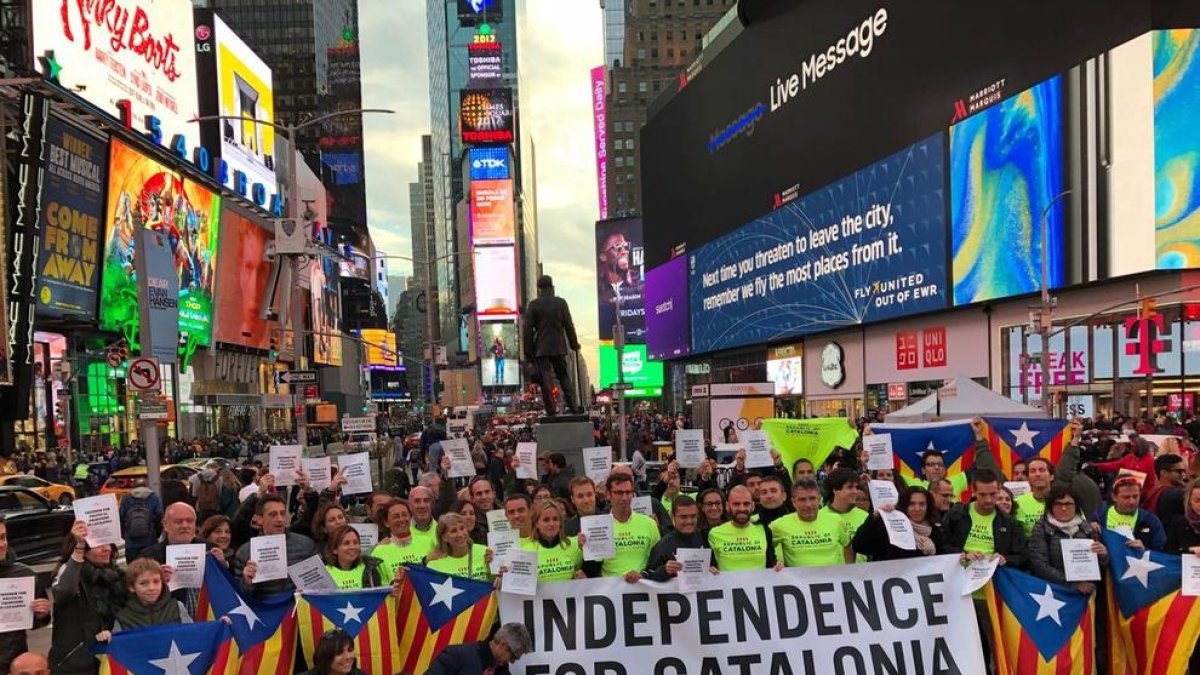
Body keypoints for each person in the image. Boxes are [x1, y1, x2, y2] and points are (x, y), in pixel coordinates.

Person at [49, 521, 124, 675]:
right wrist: (78, 550)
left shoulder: (116, 575)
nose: (106, 549)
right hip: (75, 664)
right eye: (98, 545)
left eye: (108, 543)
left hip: (108, 659)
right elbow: (62, 593)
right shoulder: (69, 570)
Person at [233, 494, 319, 597]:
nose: (279, 519)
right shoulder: (245, 552)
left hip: (298, 607)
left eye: (282, 514)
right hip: (265, 610)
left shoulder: (306, 545)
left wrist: (309, 588)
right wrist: (247, 582)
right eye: (273, 514)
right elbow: (238, 597)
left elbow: (320, 584)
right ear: (259, 518)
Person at [1028, 486, 1108, 595]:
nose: (1064, 508)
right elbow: (1039, 565)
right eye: (1058, 504)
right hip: (1054, 592)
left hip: (1086, 594)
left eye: (1068, 504)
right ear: (1051, 506)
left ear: (1076, 506)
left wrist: (1103, 556)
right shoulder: (1041, 528)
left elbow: (1101, 568)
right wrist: (1073, 585)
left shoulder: (1087, 528)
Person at [135, 502, 209, 617]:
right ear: (165, 524)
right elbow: (137, 596)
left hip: (206, 620)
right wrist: (157, 582)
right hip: (170, 620)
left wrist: (224, 565)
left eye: (189, 521)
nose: (185, 525)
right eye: (178, 521)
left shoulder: (209, 549)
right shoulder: (149, 557)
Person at [523, 275, 582, 416]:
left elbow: (527, 331)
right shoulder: (561, 303)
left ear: (539, 289)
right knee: (563, 377)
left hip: (541, 348)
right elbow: (569, 325)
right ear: (552, 287)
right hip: (559, 346)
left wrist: (528, 353)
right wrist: (574, 344)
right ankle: (574, 407)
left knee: (546, 380)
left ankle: (551, 411)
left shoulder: (534, 305)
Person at [581, 473, 659, 580]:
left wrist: (643, 574)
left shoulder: (649, 523)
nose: (625, 497)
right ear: (608, 494)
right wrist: (585, 550)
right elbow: (592, 570)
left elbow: (658, 561)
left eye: (628, 492)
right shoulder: (599, 526)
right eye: (619, 493)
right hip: (611, 593)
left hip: (643, 591)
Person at [0, 516, 49, 673]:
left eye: (3, 537)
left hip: (14, 663)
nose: (2, 544)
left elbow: (35, 622)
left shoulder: (23, 574)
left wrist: (42, 614)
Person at [97, 559, 192, 639]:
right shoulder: (123, 617)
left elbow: (193, 636)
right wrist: (109, 638)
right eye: (143, 583)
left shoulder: (177, 607)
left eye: (156, 581)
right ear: (132, 587)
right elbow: (118, 648)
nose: (151, 588)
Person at [771, 479, 852, 568]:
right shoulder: (779, 525)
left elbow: (847, 545)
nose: (808, 505)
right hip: (798, 581)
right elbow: (763, 547)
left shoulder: (836, 520)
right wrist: (776, 562)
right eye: (802, 500)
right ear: (793, 502)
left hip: (834, 579)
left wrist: (849, 570)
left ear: (819, 499)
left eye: (812, 498)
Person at [1166, 478, 1200, 674]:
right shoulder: (1178, 523)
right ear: (1189, 500)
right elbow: (1169, 555)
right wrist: (1188, 551)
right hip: (1185, 594)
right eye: (1197, 500)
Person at [852, 486, 941, 560]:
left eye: (922, 504)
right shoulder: (889, 527)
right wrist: (874, 516)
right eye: (912, 504)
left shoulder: (936, 532)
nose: (917, 509)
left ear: (928, 507)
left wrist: (934, 553)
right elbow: (859, 545)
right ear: (905, 506)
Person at [707, 486, 780, 572]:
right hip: (727, 585)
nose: (742, 509)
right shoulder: (714, 533)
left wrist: (778, 566)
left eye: (746, 504)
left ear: (752, 506)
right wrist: (709, 569)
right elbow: (709, 565)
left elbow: (772, 563)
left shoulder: (764, 530)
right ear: (727, 506)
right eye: (736, 504)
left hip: (760, 584)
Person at [644, 495, 712, 581]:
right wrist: (664, 570)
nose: (689, 521)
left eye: (693, 516)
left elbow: (715, 567)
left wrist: (713, 569)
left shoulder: (705, 538)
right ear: (672, 517)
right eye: (683, 517)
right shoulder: (663, 545)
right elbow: (648, 575)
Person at [1090, 476, 1167, 551]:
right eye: (1126, 497)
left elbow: (1162, 552)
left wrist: (1144, 550)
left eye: (1135, 496)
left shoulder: (1150, 520)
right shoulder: (1099, 516)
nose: (1132, 502)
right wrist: (1091, 531)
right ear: (1114, 497)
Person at [423, 622, 531, 675]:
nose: (512, 661)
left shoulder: (502, 672)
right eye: (513, 657)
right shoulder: (454, 656)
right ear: (502, 645)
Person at [519, 500, 584, 582]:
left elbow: (587, 573)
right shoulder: (526, 551)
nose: (551, 524)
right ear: (536, 523)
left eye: (555, 519)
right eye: (546, 520)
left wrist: (584, 578)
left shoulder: (574, 545)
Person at [372, 499, 434, 585]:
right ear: (386, 522)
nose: (401, 519)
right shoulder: (378, 552)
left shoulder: (427, 542)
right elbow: (380, 588)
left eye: (405, 515)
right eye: (396, 516)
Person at [425, 514, 492, 581]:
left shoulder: (485, 552)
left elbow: (496, 582)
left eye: (462, 528)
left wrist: (494, 567)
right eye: (453, 531)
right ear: (444, 538)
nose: (460, 534)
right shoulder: (434, 565)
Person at [820, 468, 868, 551]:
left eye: (856, 487)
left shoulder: (865, 517)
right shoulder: (820, 516)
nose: (855, 491)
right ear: (835, 490)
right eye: (850, 487)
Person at [119, 485, 163, 562]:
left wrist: (124, 535)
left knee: (133, 570)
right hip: (150, 541)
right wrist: (157, 534)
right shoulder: (153, 497)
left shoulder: (126, 498)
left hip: (131, 543)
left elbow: (121, 518)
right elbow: (159, 516)